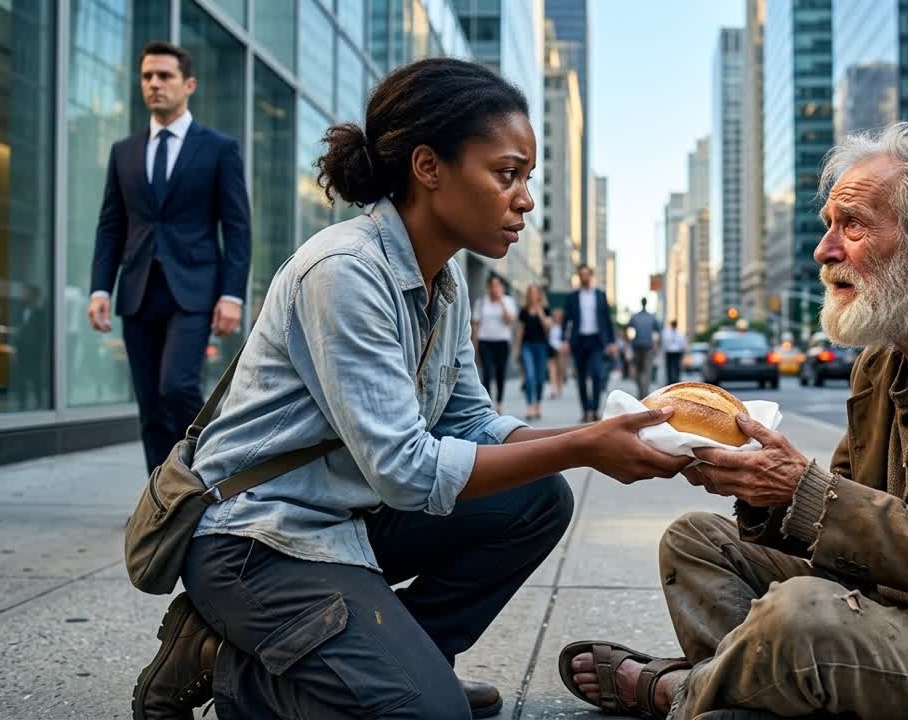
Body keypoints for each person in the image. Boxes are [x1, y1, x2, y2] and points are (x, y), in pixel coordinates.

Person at [130, 58, 692, 720]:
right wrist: (581, 448)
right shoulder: (345, 271)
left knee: (538, 498)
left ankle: (411, 655)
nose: (525, 199)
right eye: (507, 174)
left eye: (527, 179)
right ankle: (224, 666)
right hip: (258, 539)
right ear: (428, 168)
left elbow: (472, 423)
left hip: (349, 515)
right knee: (428, 715)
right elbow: (405, 470)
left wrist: (599, 438)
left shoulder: (443, 284)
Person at [559, 123, 908, 719]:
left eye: (852, 225)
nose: (824, 249)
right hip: (905, 612)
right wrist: (760, 491)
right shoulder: (882, 363)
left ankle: (678, 693)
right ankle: (749, 694)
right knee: (697, 542)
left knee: (801, 616)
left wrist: (803, 489)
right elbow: (838, 535)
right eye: (828, 224)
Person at [88, 41, 251, 474]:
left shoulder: (219, 148)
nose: (155, 84)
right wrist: (100, 288)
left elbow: (237, 226)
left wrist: (232, 294)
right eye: (147, 77)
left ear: (188, 84)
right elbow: (111, 225)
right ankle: (160, 501)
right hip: (138, 289)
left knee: (177, 387)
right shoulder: (124, 152)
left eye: (165, 76)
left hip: (194, 290)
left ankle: (208, 475)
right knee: (149, 404)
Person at [563, 264, 616, 422]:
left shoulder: (600, 295)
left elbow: (607, 320)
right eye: (581, 275)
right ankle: (585, 410)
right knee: (580, 377)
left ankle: (594, 409)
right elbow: (566, 320)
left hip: (596, 341)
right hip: (579, 341)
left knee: (596, 375)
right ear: (579, 276)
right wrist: (563, 340)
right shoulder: (572, 297)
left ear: (591, 276)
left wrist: (612, 342)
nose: (584, 277)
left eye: (587, 274)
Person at [472, 274, 517, 413]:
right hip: (485, 341)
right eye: (492, 286)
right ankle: (488, 403)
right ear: (488, 287)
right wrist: (474, 345)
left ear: (501, 287)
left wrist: (501, 302)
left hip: (502, 342)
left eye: (497, 285)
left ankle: (499, 402)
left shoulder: (508, 301)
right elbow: (475, 325)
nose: (494, 288)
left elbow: (510, 320)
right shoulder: (481, 302)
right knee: (486, 371)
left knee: (500, 372)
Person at [516, 283, 552, 420]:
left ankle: (537, 404)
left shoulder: (546, 310)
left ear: (539, 295)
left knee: (540, 378)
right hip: (527, 346)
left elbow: (548, 328)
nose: (533, 295)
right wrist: (517, 349)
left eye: (535, 292)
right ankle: (530, 406)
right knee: (530, 376)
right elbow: (520, 331)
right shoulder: (523, 311)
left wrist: (540, 312)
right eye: (530, 293)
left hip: (541, 346)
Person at [627, 297, 660, 398]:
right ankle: (644, 393)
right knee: (647, 371)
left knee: (639, 371)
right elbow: (658, 331)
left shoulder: (635, 316)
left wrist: (630, 341)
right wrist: (656, 344)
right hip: (648, 347)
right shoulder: (652, 317)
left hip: (637, 346)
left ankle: (641, 392)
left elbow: (628, 329)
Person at [547, 307, 568, 399]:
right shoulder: (551, 325)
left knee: (560, 370)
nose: (557, 317)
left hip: (561, 349)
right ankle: (553, 388)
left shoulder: (564, 327)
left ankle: (559, 387)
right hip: (551, 348)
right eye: (555, 315)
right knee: (552, 369)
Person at [661, 319, 687, 386]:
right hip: (671, 352)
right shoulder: (668, 332)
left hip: (676, 352)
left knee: (675, 367)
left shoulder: (678, 333)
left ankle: (675, 380)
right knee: (670, 367)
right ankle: (670, 381)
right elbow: (665, 343)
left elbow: (682, 343)